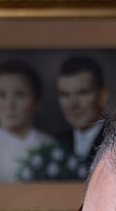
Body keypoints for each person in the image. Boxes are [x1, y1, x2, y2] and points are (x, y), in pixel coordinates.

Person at [18, 54, 109, 182]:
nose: (73, 104)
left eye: (83, 93)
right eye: (65, 95)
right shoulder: (54, 143)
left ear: (102, 96)